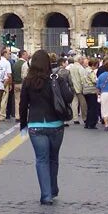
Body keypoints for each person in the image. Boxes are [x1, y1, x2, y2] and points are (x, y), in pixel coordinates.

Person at [19, 49, 74, 205]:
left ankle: (46, 195)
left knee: (41, 160)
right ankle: (53, 187)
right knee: (53, 158)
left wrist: (23, 125)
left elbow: (23, 105)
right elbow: (69, 97)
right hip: (56, 124)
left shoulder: (28, 82)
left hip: (36, 125)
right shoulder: (56, 79)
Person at [11, 50, 29, 122]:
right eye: (26, 55)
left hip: (16, 84)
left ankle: (17, 116)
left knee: (17, 100)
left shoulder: (15, 64)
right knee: (24, 101)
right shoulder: (25, 64)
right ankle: (23, 115)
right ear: (23, 55)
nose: (27, 56)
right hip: (22, 84)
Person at [81, 58, 100, 129]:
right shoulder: (91, 71)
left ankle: (87, 123)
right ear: (94, 65)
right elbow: (94, 80)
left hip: (85, 90)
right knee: (93, 107)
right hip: (91, 90)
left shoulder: (85, 70)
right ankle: (92, 123)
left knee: (89, 107)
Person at [67, 56, 85, 125]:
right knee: (83, 103)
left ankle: (75, 118)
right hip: (79, 87)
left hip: (73, 87)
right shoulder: (80, 67)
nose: (83, 60)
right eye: (82, 59)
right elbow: (82, 78)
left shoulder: (71, 68)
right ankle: (84, 117)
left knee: (74, 103)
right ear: (79, 60)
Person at [0, 47, 13, 121]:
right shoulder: (7, 62)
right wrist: (10, 84)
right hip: (5, 82)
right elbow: (9, 75)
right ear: (4, 53)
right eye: (8, 53)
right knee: (4, 99)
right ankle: (2, 115)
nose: (9, 55)